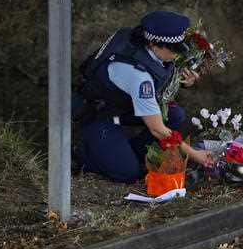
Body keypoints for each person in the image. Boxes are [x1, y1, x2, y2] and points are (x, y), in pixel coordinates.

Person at [73, 10, 213, 183]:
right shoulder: (139, 78)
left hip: (120, 104)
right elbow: (157, 129)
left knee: (175, 115)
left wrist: (185, 82)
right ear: (154, 43)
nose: (176, 55)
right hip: (98, 113)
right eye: (173, 50)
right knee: (129, 174)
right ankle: (86, 153)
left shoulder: (142, 40)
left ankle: (130, 151)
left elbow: (164, 69)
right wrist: (194, 155)